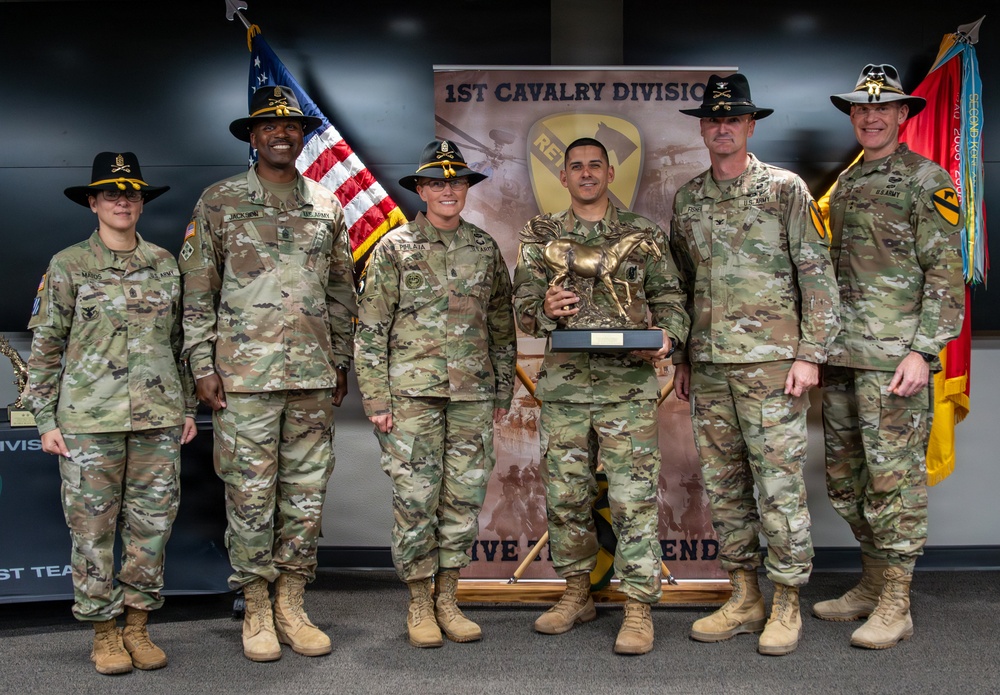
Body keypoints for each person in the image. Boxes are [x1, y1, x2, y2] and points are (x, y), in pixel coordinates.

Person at [178, 86, 357, 662]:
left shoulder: (326, 204)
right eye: (269, 126)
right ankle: (256, 606)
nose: (282, 133)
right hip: (243, 379)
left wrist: (339, 360)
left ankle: (292, 604)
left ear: (302, 136)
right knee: (250, 496)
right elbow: (197, 290)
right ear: (253, 136)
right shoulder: (220, 201)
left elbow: (341, 290)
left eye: (292, 126)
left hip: (310, 376)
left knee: (306, 494)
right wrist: (201, 364)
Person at [669, 74, 840, 656]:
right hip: (711, 366)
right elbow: (683, 284)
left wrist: (811, 354)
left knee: (779, 486)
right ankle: (745, 597)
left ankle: (787, 601)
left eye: (733, 119)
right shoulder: (688, 198)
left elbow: (816, 273)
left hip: (772, 366)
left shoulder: (785, 189)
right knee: (725, 487)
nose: (723, 128)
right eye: (714, 119)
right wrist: (685, 356)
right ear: (702, 128)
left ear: (750, 125)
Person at [512, 137, 689, 656]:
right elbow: (521, 308)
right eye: (576, 166)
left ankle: (637, 607)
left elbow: (671, 299)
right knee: (567, 496)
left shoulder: (643, 234)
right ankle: (576, 592)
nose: (586, 173)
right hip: (565, 390)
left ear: (610, 173)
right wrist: (545, 309)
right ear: (563, 177)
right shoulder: (540, 234)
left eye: (595, 165)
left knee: (633, 499)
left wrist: (667, 338)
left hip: (627, 389)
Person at [23, 152, 197, 675]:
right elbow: (46, 347)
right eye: (111, 194)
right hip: (88, 422)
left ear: (142, 204)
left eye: (132, 194)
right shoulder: (69, 264)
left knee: (152, 527)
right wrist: (45, 419)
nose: (123, 202)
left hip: (157, 420)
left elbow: (180, 343)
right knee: (92, 531)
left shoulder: (164, 263)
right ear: (93, 203)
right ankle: (103, 632)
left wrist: (187, 406)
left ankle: (137, 625)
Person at [815, 64, 965, 649]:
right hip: (843, 358)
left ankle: (897, 602)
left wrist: (924, 351)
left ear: (903, 114)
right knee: (846, 480)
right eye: (861, 108)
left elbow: (945, 275)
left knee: (893, 482)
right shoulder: (848, 183)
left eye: (882, 108)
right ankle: (874, 583)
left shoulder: (927, 180)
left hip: (894, 363)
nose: (870, 117)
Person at [355, 139, 516, 648]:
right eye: (437, 183)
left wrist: (502, 390)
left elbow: (501, 325)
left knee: (463, 500)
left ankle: (448, 598)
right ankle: (420, 602)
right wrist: (377, 400)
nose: (449, 190)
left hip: (472, 395)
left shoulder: (484, 248)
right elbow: (371, 330)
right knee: (416, 501)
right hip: (411, 398)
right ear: (421, 190)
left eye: (457, 181)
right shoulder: (394, 248)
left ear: (466, 189)